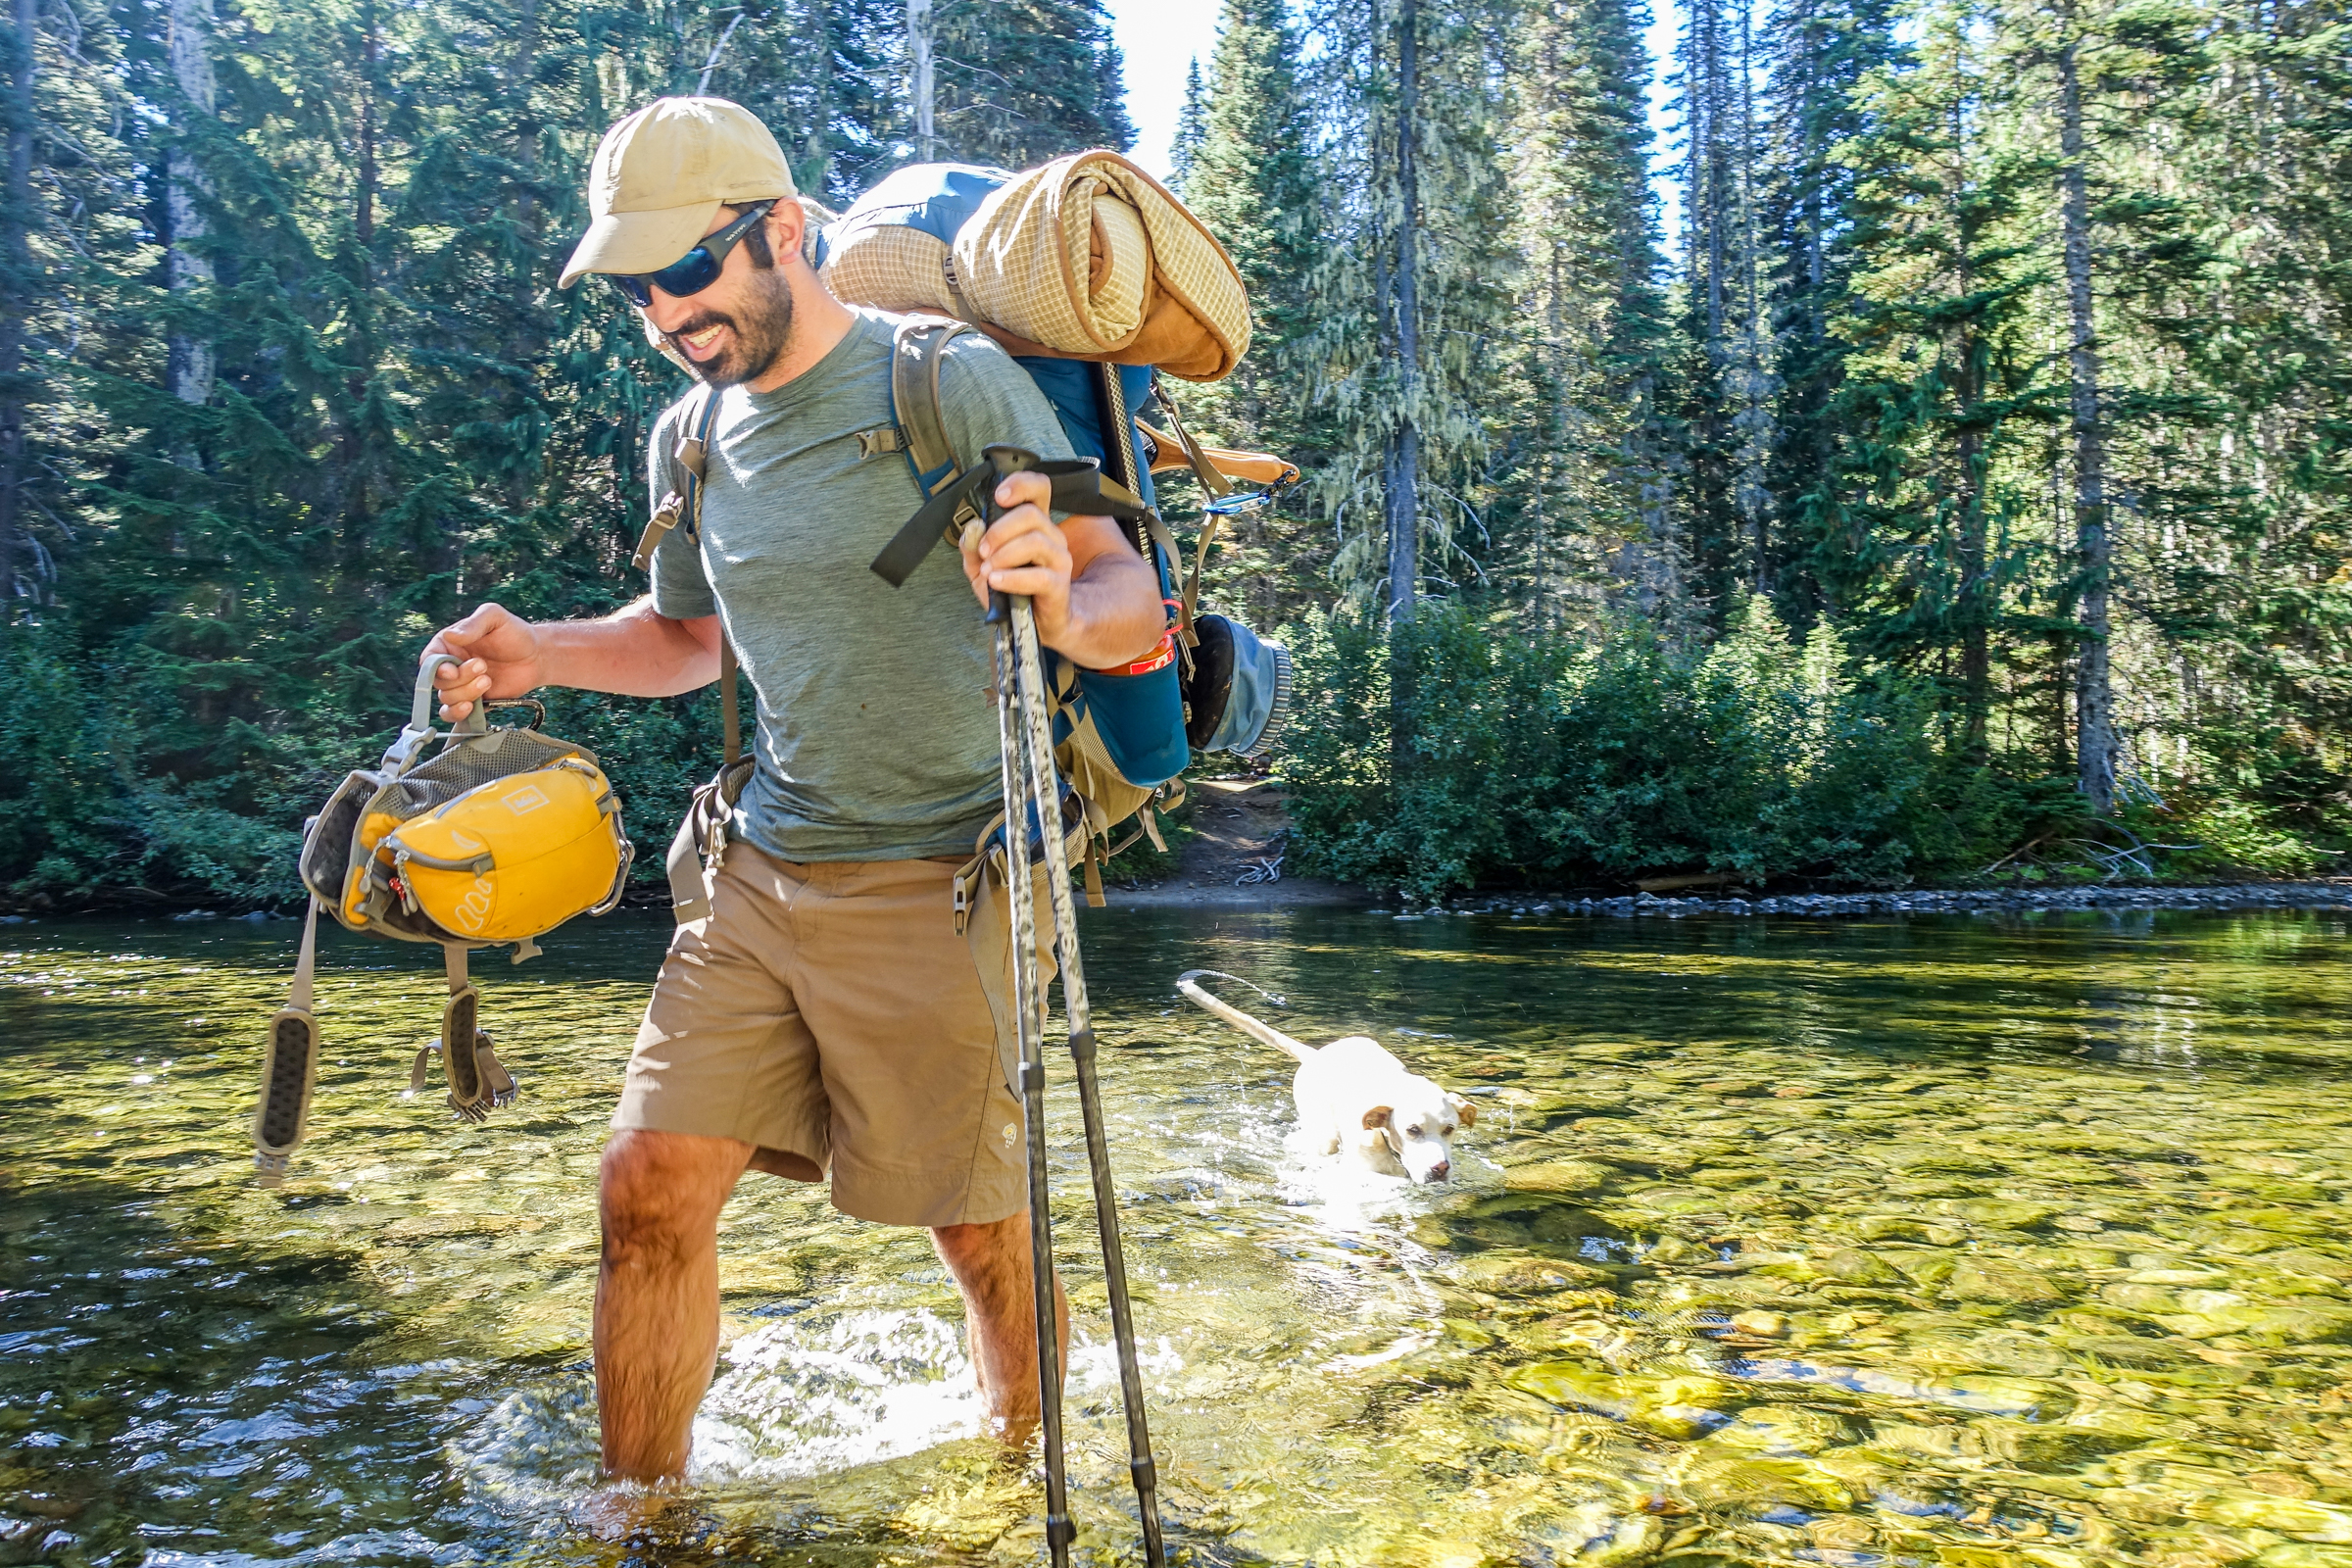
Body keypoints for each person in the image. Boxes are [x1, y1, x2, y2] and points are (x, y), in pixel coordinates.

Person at [422, 96, 1165, 1481]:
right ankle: (645, 1520)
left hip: (950, 879)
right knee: (645, 1187)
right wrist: (540, 654)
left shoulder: (943, 382)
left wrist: (1065, 599)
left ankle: (1021, 1471)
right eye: (636, 286)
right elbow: (689, 639)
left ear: (779, 230)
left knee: (982, 1233)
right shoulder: (690, 438)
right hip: (762, 873)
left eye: (687, 272)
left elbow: (1134, 603)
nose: (664, 310)